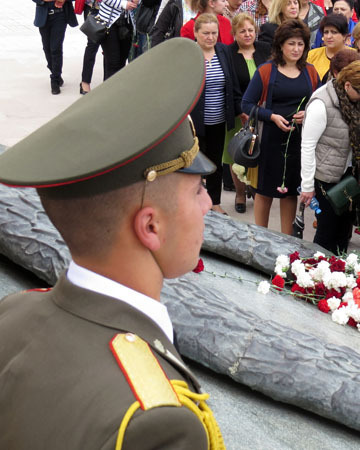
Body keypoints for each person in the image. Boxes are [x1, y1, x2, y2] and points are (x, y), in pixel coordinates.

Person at [0, 38, 224, 449]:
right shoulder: (159, 423)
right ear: (150, 226)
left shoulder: (14, 313)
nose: (208, 204)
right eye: (197, 191)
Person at [242, 20, 320, 234]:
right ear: (280, 45)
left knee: (290, 193)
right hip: (269, 140)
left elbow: (319, 104)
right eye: (291, 44)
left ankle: (287, 241)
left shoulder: (311, 72)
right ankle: (260, 238)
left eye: (300, 44)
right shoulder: (266, 70)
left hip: (298, 142)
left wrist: (308, 114)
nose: (296, 49)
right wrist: (271, 116)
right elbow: (246, 104)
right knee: (264, 191)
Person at [299, 61, 360, 254]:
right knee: (326, 231)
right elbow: (308, 146)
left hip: (349, 173)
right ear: (347, 85)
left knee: (343, 231)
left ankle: (338, 268)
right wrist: (307, 186)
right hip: (325, 177)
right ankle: (316, 268)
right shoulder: (321, 104)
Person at [189, 14, 243, 216]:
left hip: (219, 120)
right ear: (196, 33)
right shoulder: (190, 53)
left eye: (214, 33)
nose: (210, 37)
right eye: (206, 33)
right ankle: (193, 204)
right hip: (195, 122)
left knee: (215, 163)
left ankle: (215, 202)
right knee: (194, 164)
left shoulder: (223, 51)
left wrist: (239, 110)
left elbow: (232, 83)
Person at [223, 13, 271, 214]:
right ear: (234, 33)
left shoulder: (265, 49)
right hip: (238, 112)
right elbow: (229, 85)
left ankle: (256, 188)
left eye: (251, 30)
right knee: (237, 153)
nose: (247, 34)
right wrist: (240, 110)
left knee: (259, 151)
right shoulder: (228, 53)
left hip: (262, 111)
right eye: (242, 31)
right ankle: (240, 193)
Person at [34, 0, 77, 95]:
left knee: (55, 48)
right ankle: (55, 72)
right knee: (47, 48)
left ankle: (54, 80)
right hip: (44, 17)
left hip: (60, 16)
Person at [95, 0, 137, 80]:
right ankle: (110, 87)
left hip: (127, 22)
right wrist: (123, 4)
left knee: (122, 62)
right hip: (108, 22)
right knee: (113, 63)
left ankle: (117, 87)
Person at [307, 14, 355, 81]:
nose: (329, 36)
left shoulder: (355, 56)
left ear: (344, 35)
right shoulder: (312, 55)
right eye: (326, 32)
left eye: (334, 32)